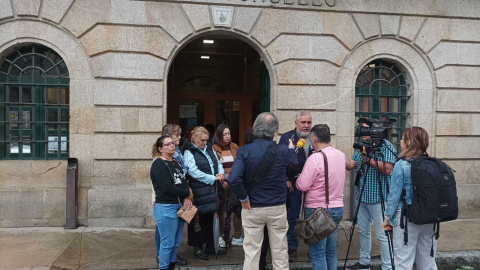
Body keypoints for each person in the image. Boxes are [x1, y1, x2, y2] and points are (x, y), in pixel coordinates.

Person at [229, 112, 298, 270]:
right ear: (275, 130)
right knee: (280, 251)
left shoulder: (244, 151)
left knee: (252, 252)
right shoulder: (283, 150)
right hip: (277, 207)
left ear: (255, 129)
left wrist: (243, 198)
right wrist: (292, 149)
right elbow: (295, 165)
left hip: (252, 206)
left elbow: (233, 178)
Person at [382, 127, 437, 269]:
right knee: (427, 262)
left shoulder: (402, 165)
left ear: (408, 142)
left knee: (403, 262)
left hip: (406, 218)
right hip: (430, 217)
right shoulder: (433, 164)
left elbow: (394, 196)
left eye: (402, 138)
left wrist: (387, 218)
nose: (400, 141)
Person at [296, 124, 346, 270]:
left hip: (317, 211)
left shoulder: (315, 159)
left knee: (317, 253)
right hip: (337, 208)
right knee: (331, 251)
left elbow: (303, 185)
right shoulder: (340, 155)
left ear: (313, 139)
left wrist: (297, 180)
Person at [346, 123, 396, 270]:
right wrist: (334, 157)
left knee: (382, 234)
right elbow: (351, 164)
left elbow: (388, 169)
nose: (364, 133)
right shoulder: (362, 145)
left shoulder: (385, 145)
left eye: (367, 129)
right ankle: (364, 262)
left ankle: (388, 266)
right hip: (362, 197)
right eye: (362, 130)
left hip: (379, 198)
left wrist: (367, 159)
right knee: (363, 231)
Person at [183, 126, 226, 260]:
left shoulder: (209, 148)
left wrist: (221, 173)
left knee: (209, 218)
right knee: (198, 221)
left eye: (206, 140)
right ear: (194, 138)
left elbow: (217, 163)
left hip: (211, 191)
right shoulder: (189, 152)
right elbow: (193, 172)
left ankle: (210, 246)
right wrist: (213, 178)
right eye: (202, 140)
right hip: (198, 191)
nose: (204, 143)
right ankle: (198, 247)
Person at [150, 135, 193, 270]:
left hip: (180, 206)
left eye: (173, 143)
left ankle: (172, 266)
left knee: (176, 242)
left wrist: (187, 198)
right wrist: (187, 194)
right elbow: (167, 187)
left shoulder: (176, 162)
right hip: (166, 207)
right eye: (168, 144)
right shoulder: (158, 164)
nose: (172, 145)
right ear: (160, 149)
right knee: (167, 243)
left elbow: (184, 182)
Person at [279, 110, 313, 262]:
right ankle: (292, 248)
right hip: (293, 185)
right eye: (303, 122)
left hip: (313, 187)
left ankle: (313, 249)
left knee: (312, 218)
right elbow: (280, 161)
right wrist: (286, 178)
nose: (306, 126)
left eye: (308, 122)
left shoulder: (315, 137)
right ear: (296, 123)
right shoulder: (287, 138)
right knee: (291, 218)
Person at [212, 124, 243, 248]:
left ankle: (237, 236)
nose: (227, 136)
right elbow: (214, 167)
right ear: (219, 135)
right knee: (224, 211)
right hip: (223, 185)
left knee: (237, 210)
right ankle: (222, 236)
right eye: (224, 134)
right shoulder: (214, 149)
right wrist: (221, 181)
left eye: (228, 134)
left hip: (235, 184)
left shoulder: (234, 147)